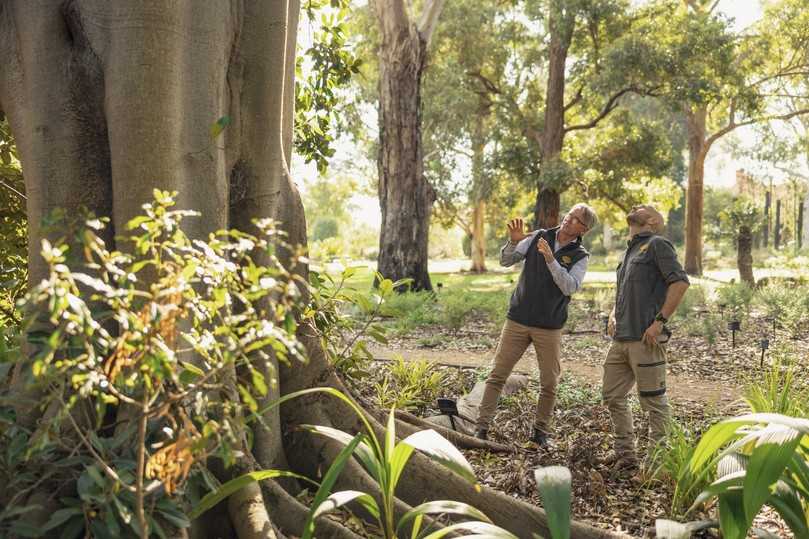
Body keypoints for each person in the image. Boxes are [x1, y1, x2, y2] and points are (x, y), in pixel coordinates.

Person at [475, 203, 598, 446]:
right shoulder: (539, 236)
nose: (567, 219)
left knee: (549, 383)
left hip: (549, 326)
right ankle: (481, 428)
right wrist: (512, 242)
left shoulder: (580, 256)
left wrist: (552, 261)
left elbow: (570, 287)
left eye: (575, 219)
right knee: (497, 375)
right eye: (569, 214)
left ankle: (540, 433)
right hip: (518, 320)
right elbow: (506, 260)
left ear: (583, 229)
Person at [602, 204, 690, 470]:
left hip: (646, 340)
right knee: (612, 395)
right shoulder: (629, 250)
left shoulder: (657, 245)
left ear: (651, 220)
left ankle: (658, 465)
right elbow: (625, 291)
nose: (634, 207)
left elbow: (680, 282)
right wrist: (613, 314)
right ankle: (625, 454)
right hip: (621, 339)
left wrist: (660, 322)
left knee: (653, 401)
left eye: (640, 208)